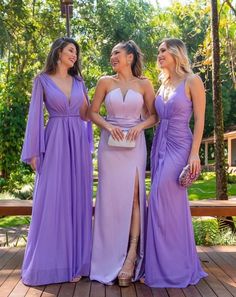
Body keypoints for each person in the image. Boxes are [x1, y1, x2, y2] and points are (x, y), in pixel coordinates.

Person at [21, 37, 93, 286]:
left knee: (77, 199)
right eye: (71, 50)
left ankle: (76, 262)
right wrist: (33, 151)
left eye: (76, 52)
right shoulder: (41, 80)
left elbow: (86, 114)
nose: (74, 55)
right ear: (58, 52)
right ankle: (51, 263)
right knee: (53, 198)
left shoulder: (79, 82)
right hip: (54, 141)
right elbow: (34, 116)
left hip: (77, 145)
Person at [89, 40, 157, 286]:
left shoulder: (145, 84)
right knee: (108, 199)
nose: (112, 57)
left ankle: (131, 257)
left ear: (130, 57)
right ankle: (106, 258)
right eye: (111, 54)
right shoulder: (105, 82)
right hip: (110, 146)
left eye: (116, 52)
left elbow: (154, 115)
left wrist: (139, 126)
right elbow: (92, 112)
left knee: (135, 197)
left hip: (135, 144)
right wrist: (108, 126)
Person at [145, 38, 207, 288]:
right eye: (158, 50)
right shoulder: (163, 85)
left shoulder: (193, 81)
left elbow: (200, 120)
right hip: (159, 145)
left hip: (180, 146)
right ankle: (159, 266)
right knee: (159, 204)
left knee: (162, 196)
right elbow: (154, 118)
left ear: (176, 53)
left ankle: (177, 267)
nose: (158, 54)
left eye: (163, 50)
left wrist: (194, 154)